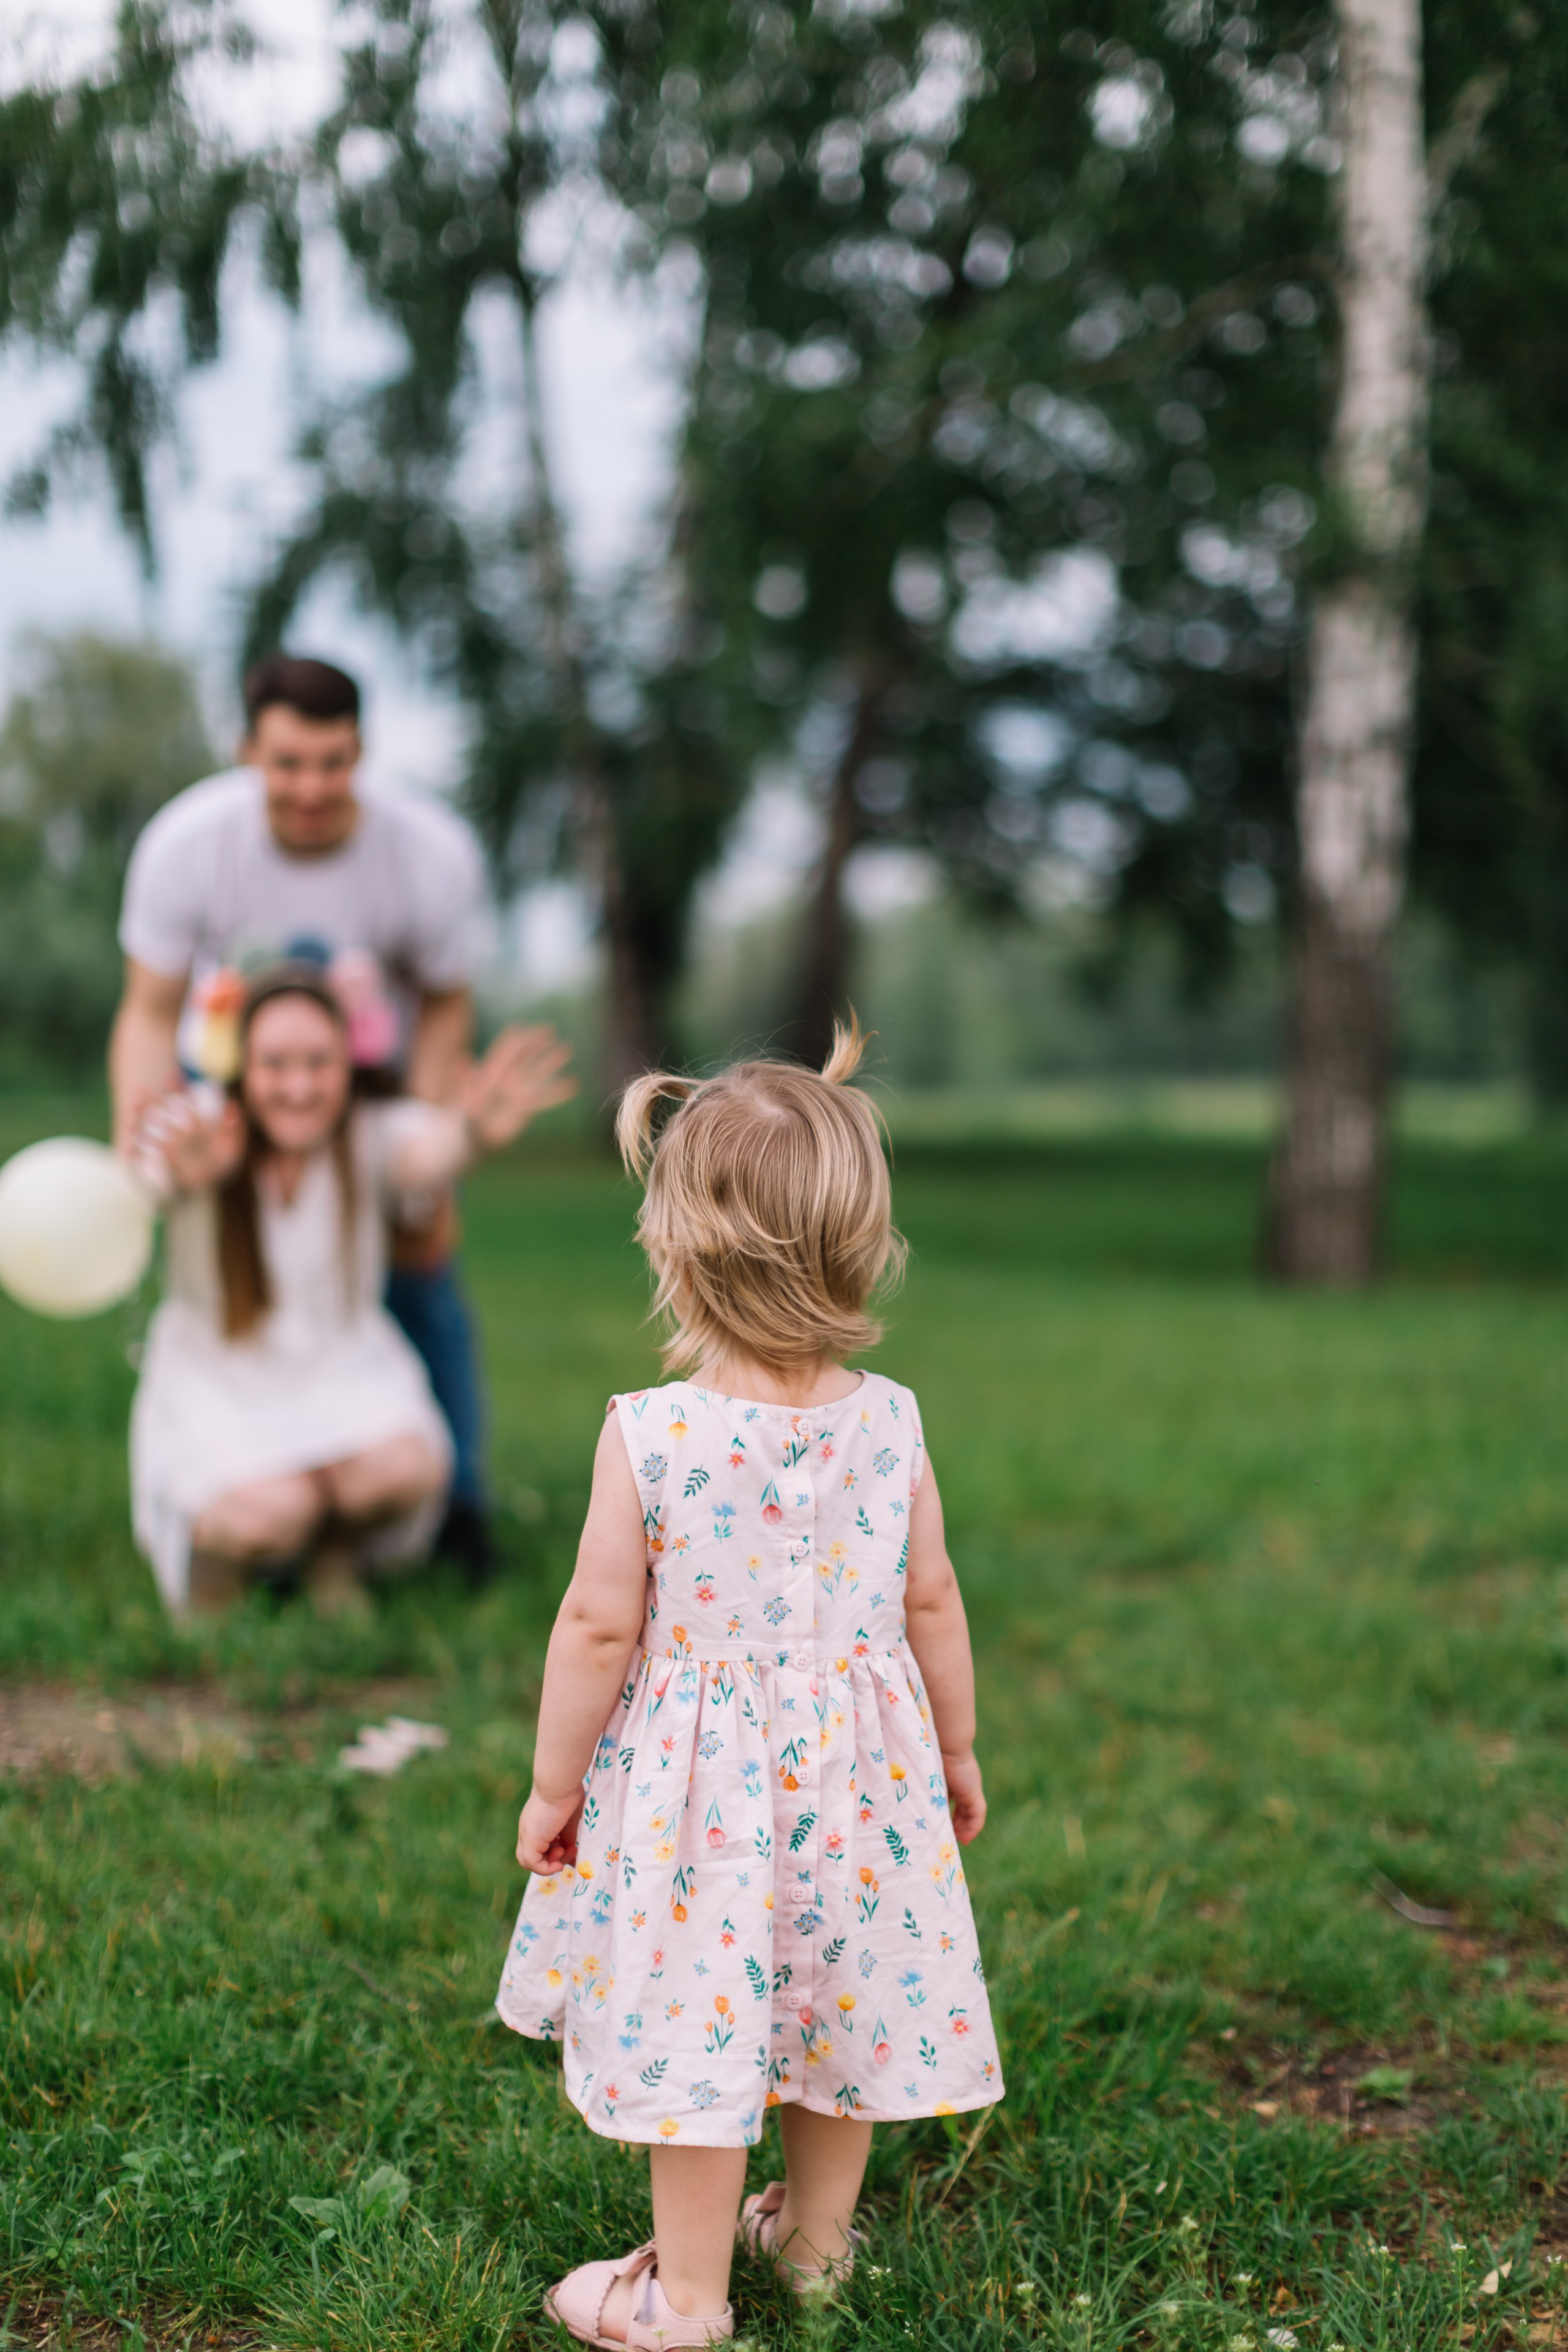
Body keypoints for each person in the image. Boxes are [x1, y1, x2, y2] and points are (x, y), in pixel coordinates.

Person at [496, 1024, 1001, 2348]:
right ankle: (817, 2250)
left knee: (699, 2035)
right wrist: (952, 1751)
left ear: (676, 1248)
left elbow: (598, 1626)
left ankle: (688, 2297)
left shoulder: (651, 1433)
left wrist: (557, 1786)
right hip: (862, 1785)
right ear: (858, 1242)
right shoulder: (887, 1420)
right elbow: (931, 1600)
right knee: (838, 2001)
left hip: (696, 1810)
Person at [111, 652, 521, 1580]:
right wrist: (144, 1146)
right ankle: (235, 1468)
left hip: (369, 1078)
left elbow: (446, 1001)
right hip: (222, 1063)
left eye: (334, 763)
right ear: (248, 750)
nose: (311, 787)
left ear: (361, 751)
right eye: (289, 763)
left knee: (422, 1279)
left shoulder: (429, 853)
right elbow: (144, 1009)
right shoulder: (187, 844)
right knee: (237, 1270)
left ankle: (455, 1508)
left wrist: (431, 1152)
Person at [130, 964, 573, 1619]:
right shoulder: (201, 1125)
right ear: (242, 1067)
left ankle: (329, 1555)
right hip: (219, 1376)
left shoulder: (368, 1130)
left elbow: (430, 1151)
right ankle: (221, 1579)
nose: (300, 1086)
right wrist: (179, 1176)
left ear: (349, 1065)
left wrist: (474, 1132)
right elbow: (138, 1188)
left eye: (319, 1063)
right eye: (275, 1064)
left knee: (407, 1468)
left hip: (339, 1368)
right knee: (269, 1510)